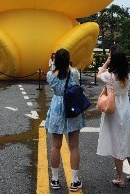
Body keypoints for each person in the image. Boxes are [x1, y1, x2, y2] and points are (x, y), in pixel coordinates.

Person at [44, 48, 86, 191]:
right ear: (68, 61)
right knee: (74, 146)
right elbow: (74, 76)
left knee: (56, 145)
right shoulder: (73, 72)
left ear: (56, 61)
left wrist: (53, 65)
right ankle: (74, 181)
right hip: (71, 107)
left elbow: (55, 74)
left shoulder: (50, 75)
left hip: (57, 108)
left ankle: (55, 180)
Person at [96, 50, 130, 188]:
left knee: (116, 143)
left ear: (113, 61)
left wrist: (107, 62)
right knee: (128, 141)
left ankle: (120, 178)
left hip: (112, 110)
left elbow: (98, 75)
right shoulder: (129, 75)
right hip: (125, 111)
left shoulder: (109, 76)